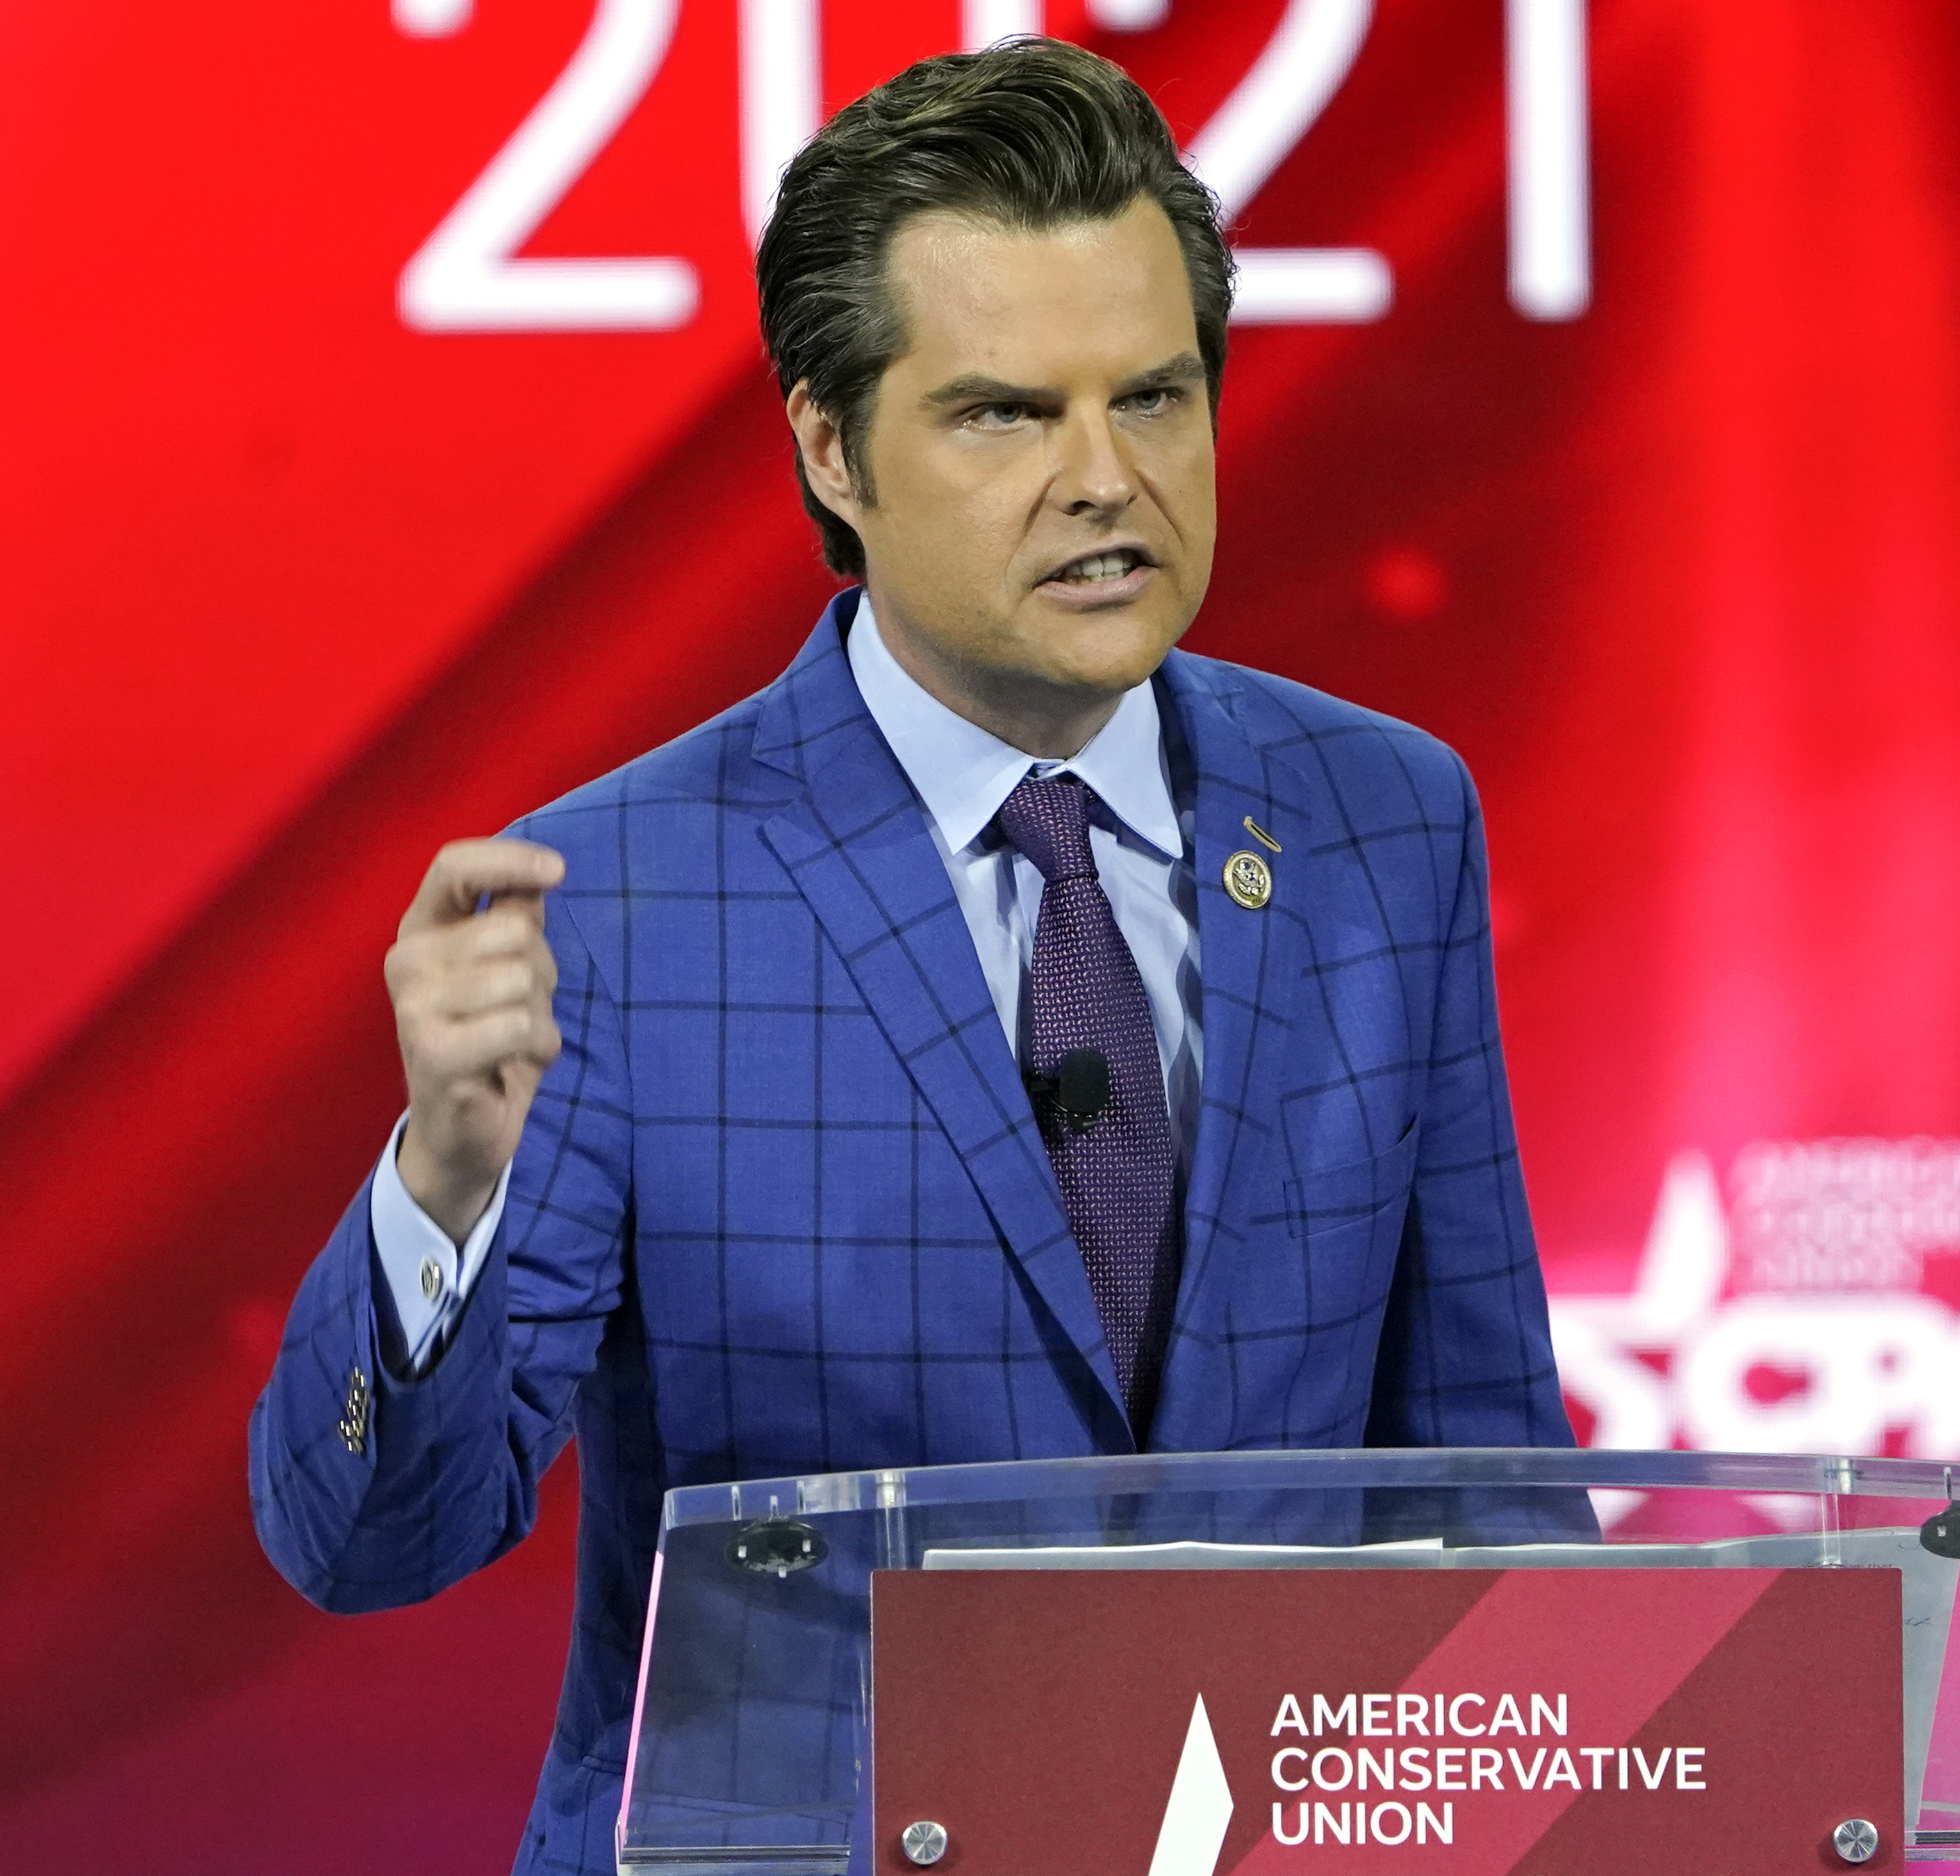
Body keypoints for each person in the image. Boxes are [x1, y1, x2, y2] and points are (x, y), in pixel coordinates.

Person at [249, 36, 1571, 1875]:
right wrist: (439, 1192)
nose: (1108, 479)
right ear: (828, 444)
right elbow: (374, 1538)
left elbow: (1490, 1485)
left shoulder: (1380, 822)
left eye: (1158, 397)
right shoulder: (621, 900)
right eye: (1007, 414)